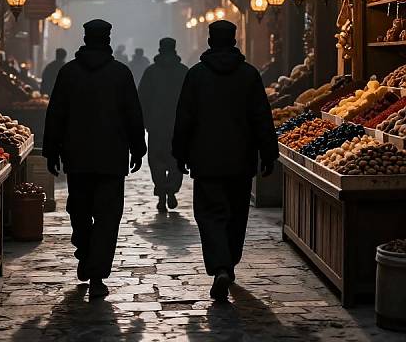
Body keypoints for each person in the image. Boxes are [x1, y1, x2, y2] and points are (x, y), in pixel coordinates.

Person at [172, 20, 278, 302]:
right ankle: (228, 263)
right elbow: (261, 119)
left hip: (206, 161)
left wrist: (179, 153)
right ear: (234, 41)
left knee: (210, 214)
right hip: (241, 160)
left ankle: (220, 266)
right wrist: (269, 153)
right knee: (236, 214)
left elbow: (185, 118)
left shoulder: (196, 76)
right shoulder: (249, 75)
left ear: (210, 42)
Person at [42, 20, 147, 299]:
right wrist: (138, 148)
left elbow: (55, 115)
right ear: (107, 39)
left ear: (86, 38)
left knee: (79, 210)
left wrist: (51, 150)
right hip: (112, 158)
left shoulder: (68, 73)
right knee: (108, 216)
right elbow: (133, 115)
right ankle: (97, 270)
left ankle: (85, 250)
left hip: (76, 158)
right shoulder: (120, 74)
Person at [138, 38, 188, 212]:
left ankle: (161, 192)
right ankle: (171, 189)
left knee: (157, 159)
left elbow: (142, 99)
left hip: (156, 124)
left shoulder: (151, 72)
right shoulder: (183, 72)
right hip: (178, 125)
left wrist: (144, 122)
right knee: (176, 159)